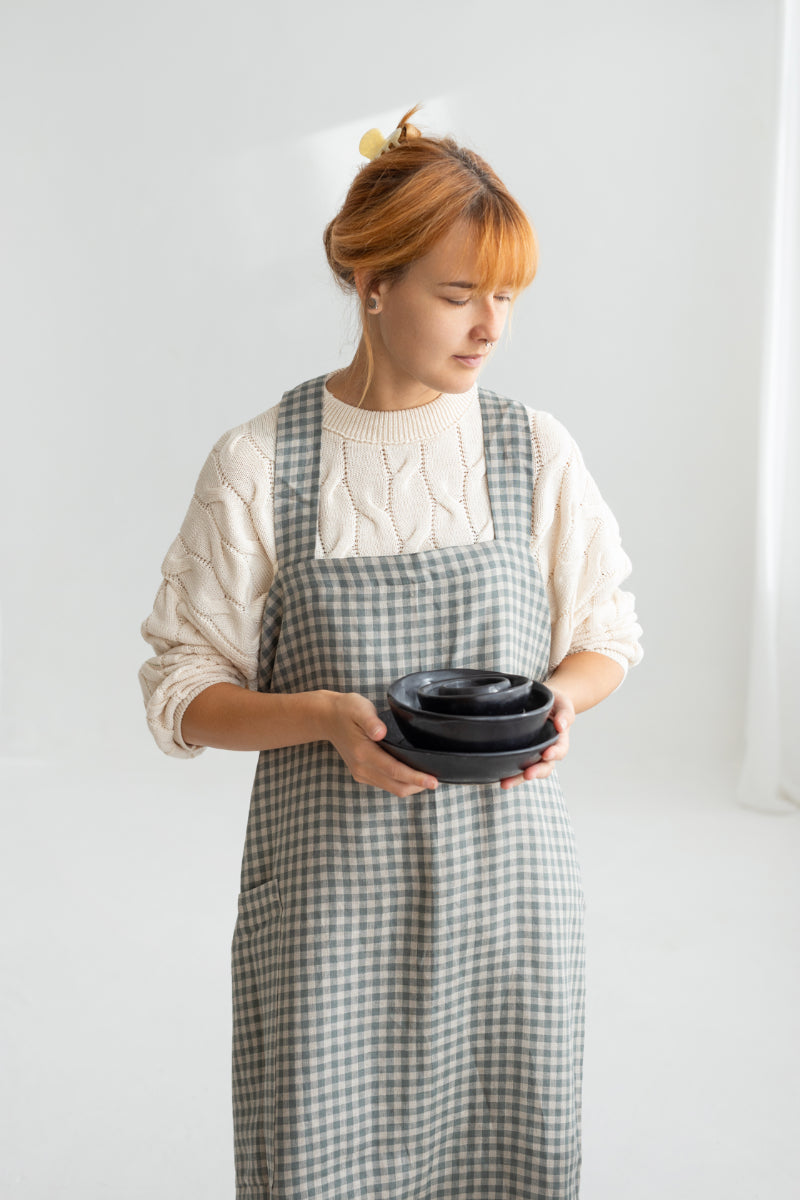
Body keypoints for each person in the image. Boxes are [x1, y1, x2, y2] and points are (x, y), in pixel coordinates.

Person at [139, 106, 642, 1200]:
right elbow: (182, 691)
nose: (489, 327)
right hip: (328, 909)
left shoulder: (530, 447)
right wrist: (324, 717)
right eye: (456, 294)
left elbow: (604, 636)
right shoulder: (260, 462)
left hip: (509, 898)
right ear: (371, 286)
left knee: (508, 1165)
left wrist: (558, 700)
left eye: (505, 296)